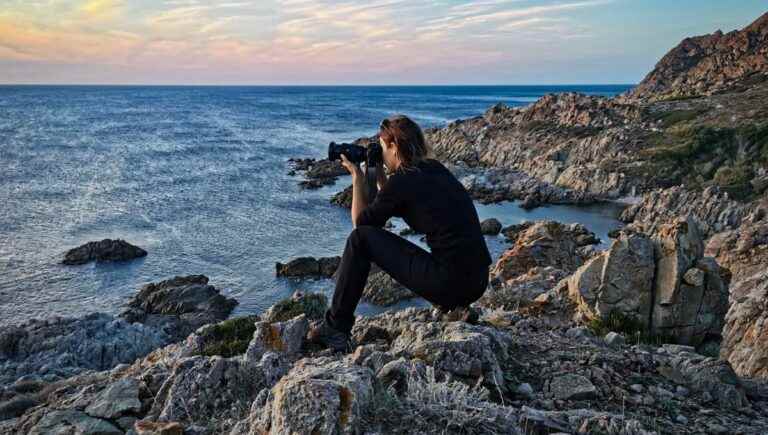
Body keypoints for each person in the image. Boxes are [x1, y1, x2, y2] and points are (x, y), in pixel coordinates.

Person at [308, 115, 492, 352]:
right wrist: (379, 174)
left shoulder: (404, 182)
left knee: (359, 240)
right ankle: (455, 309)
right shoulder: (433, 169)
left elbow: (360, 226)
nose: (382, 155)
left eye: (383, 147)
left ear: (394, 146)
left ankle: (336, 328)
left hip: (451, 283)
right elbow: (395, 199)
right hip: (477, 281)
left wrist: (357, 177)